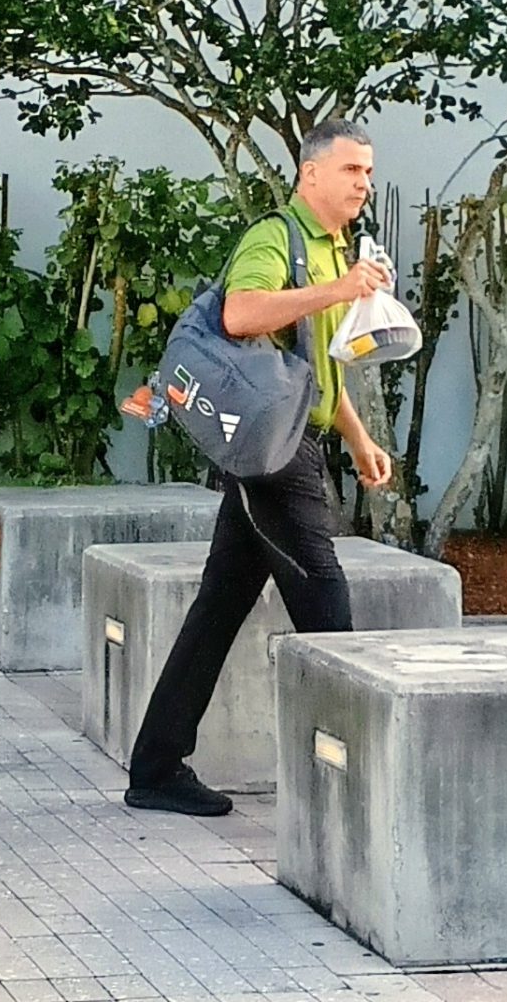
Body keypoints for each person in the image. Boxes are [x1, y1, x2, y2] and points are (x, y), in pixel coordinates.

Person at [124, 119, 393, 817]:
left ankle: (155, 767)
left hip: (283, 440)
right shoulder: (277, 237)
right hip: (276, 457)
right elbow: (243, 314)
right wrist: (337, 292)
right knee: (326, 610)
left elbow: (305, 371)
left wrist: (358, 438)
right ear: (310, 176)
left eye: (367, 171)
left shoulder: (336, 249)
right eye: (350, 170)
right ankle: (365, 788)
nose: (363, 182)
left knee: (219, 604)